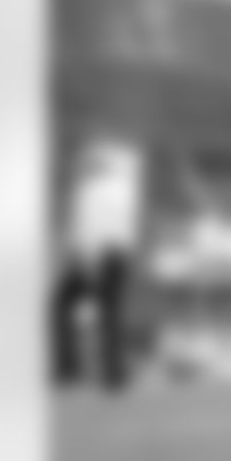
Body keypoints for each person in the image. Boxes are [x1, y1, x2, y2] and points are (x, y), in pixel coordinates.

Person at [52, 135, 145, 393]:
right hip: (108, 256)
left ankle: (72, 369)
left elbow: (97, 228)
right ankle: (111, 374)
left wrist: (88, 260)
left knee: (73, 305)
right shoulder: (113, 188)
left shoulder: (101, 190)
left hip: (102, 256)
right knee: (107, 312)